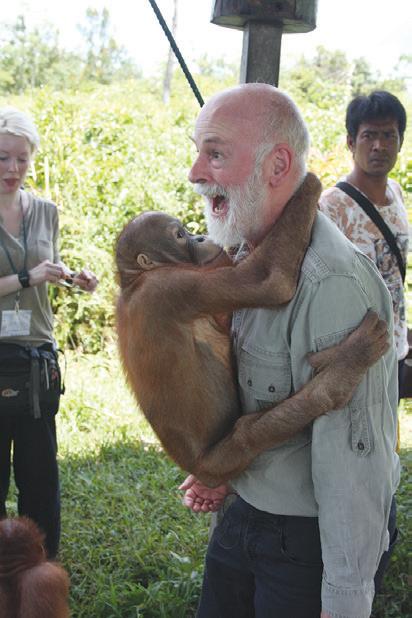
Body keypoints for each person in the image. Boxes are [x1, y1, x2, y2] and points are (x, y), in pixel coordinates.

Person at [180, 84, 399, 618]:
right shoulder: (243, 249)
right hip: (246, 510)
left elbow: (356, 460)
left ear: (277, 165)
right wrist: (223, 468)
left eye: (215, 154)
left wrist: (345, 599)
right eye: (198, 152)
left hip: (304, 541)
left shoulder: (330, 283)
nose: (194, 173)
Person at [0, 107, 98, 558]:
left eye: (21, 159)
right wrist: (28, 277)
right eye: (3, 158)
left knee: (40, 476)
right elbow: (31, 274)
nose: (12, 169)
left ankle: (40, 568)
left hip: (36, 355)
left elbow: (47, 270)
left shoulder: (46, 211)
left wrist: (73, 278)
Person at [319, 91, 408, 397]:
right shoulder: (331, 205)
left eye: (389, 135)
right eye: (369, 135)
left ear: (401, 141)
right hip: (353, 353)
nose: (379, 145)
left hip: (393, 346)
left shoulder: (396, 193)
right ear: (350, 142)